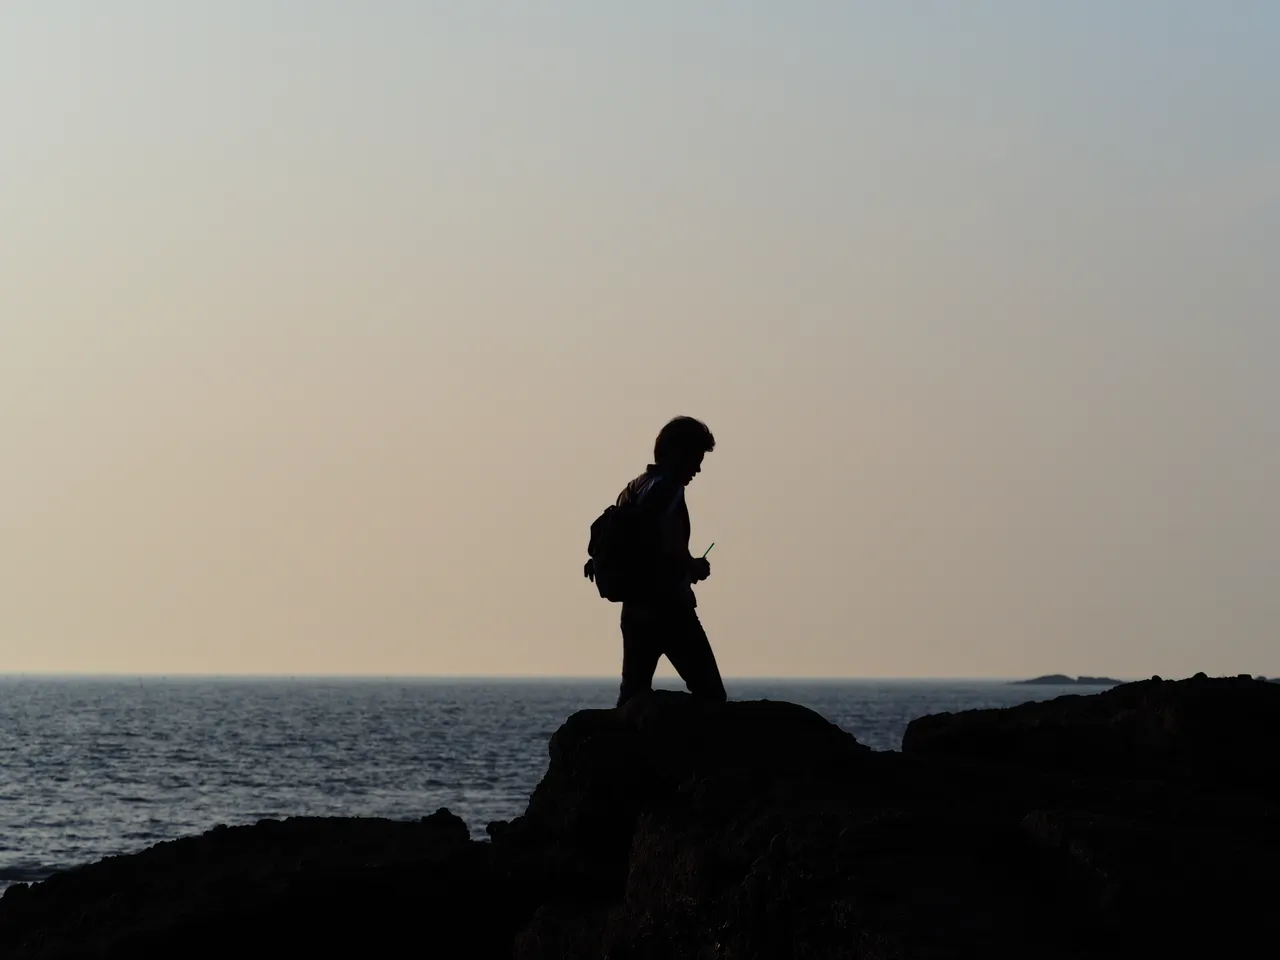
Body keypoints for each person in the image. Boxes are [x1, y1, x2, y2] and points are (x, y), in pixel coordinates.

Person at [588, 416, 727, 707]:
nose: (698, 469)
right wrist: (691, 566)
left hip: (635, 608)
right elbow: (656, 537)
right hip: (669, 608)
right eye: (695, 458)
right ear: (676, 453)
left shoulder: (634, 487)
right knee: (711, 693)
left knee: (632, 693)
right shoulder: (669, 487)